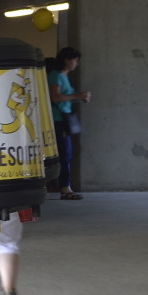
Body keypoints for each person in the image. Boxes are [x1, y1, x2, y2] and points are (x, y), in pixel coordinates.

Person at [48, 47, 91, 199]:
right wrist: (76, 95)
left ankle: (65, 186)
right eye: (75, 60)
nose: (76, 64)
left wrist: (78, 97)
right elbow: (55, 97)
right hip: (58, 119)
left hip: (63, 118)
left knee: (66, 152)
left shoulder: (63, 77)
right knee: (64, 153)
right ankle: (65, 188)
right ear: (66, 60)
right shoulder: (56, 76)